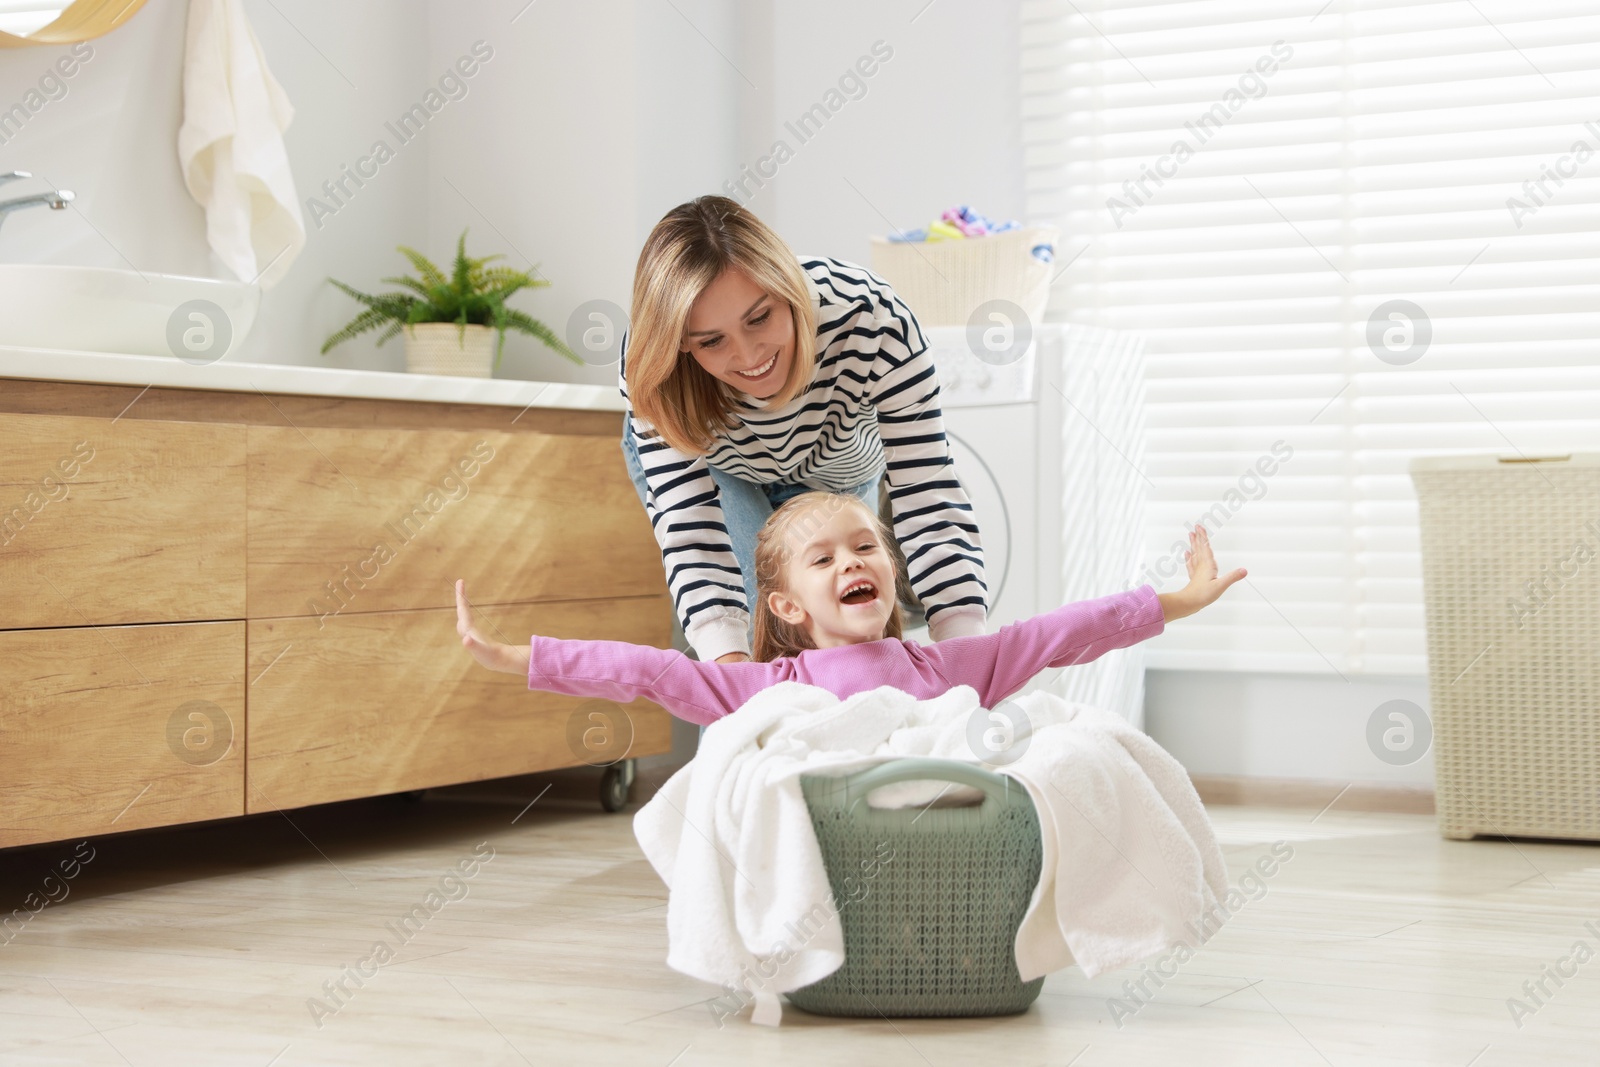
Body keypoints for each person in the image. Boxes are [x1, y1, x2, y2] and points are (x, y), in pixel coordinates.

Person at [454, 492, 1246, 725]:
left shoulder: (948, 663)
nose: (853, 563)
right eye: (825, 557)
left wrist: (1179, 598)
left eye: (865, 547)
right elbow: (646, 672)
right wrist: (515, 656)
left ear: (893, 569)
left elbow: (1063, 634)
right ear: (788, 604)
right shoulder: (763, 687)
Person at [617, 194, 989, 668]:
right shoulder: (654, 364)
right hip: (720, 469)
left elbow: (928, 494)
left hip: (837, 462)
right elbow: (693, 533)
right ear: (683, 345)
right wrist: (736, 687)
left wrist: (969, 659)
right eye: (711, 341)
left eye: (760, 318)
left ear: (788, 289)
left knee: (842, 632)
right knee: (767, 632)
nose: (750, 356)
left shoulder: (873, 319)